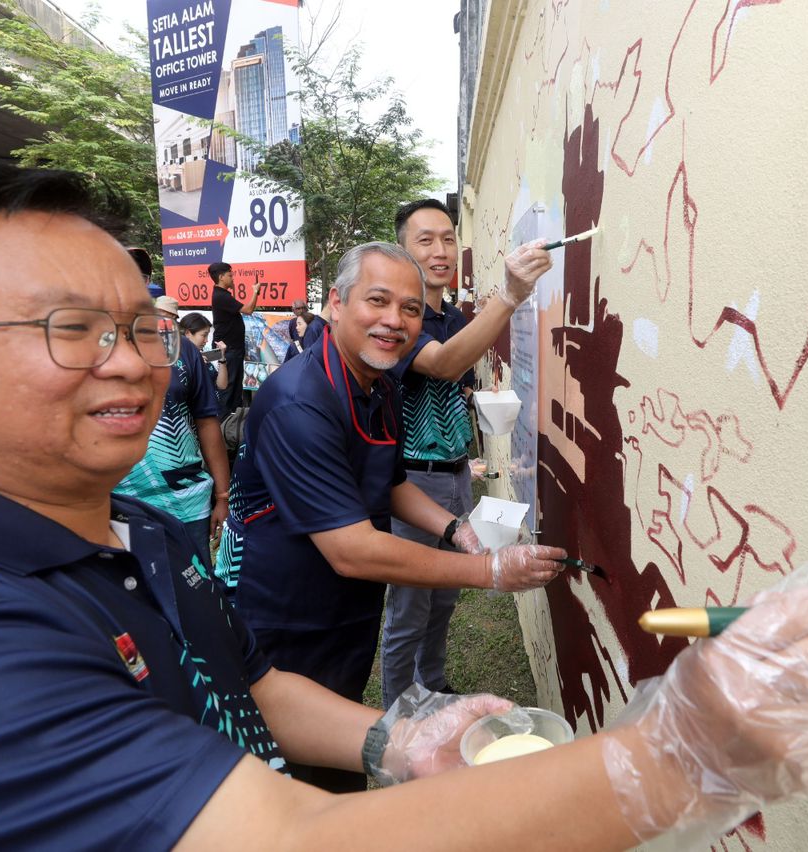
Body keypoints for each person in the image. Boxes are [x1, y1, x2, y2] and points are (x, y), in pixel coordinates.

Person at [0, 159, 808, 850]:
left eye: (139, 324)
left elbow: (247, 688)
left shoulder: (139, 530)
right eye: (69, 328)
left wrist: (392, 738)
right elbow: (295, 836)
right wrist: (681, 756)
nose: (130, 362)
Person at [215, 241, 567, 791]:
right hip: (278, 614)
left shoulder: (378, 385)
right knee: (285, 775)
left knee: (337, 752)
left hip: (342, 610)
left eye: (409, 308)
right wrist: (488, 571)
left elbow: (389, 480)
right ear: (335, 303)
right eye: (377, 301)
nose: (394, 321)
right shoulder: (298, 403)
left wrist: (456, 528)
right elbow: (352, 549)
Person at [379, 198, 552, 707]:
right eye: (425, 240)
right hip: (412, 482)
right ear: (402, 251)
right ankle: (399, 717)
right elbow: (444, 366)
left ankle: (431, 688)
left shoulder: (450, 315)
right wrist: (511, 294)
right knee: (409, 608)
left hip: (456, 474)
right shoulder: (401, 320)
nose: (441, 250)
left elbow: (456, 384)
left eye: (449, 238)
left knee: (445, 598)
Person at [114, 294, 230, 570]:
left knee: (197, 593)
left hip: (187, 503)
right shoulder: (90, 348)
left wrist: (223, 497)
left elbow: (207, 421)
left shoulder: (182, 349)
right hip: (119, 504)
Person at [210, 260, 264, 419]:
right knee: (229, 386)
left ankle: (233, 422)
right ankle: (225, 423)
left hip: (234, 349)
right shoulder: (220, 296)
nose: (233, 278)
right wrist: (255, 292)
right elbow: (248, 310)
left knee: (235, 388)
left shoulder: (223, 295)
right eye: (229, 275)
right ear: (221, 277)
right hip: (229, 350)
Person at [181, 312, 230, 391]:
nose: (206, 340)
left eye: (207, 336)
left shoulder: (202, 357)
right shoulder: (177, 360)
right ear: (188, 333)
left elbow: (222, 385)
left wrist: (222, 359)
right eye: (204, 335)